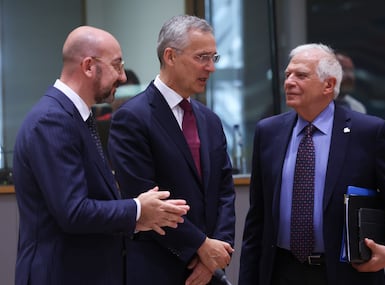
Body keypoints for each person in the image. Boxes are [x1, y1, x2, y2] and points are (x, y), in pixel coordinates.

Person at [13, 26, 190, 285]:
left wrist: (138, 217)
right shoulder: (53, 120)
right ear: (88, 66)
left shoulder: (77, 116)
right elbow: (73, 212)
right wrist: (138, 209)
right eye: (117, 65)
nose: (122, 77)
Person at [239, 43, 385, 285]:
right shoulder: (268, 131)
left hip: (347, 273)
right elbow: (257, 218)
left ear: (329, 85)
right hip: (281, 271)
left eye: (301, 75)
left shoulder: (368, 132)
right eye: (288, 74)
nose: (289, 82)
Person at [108, 15, 236, 285]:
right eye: (202, 57)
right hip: (158, 266)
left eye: (214, 57)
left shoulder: (210, 119)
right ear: (170, 56)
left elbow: (224, 190)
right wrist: (200, 247)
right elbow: (147, 200)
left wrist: (214, 252)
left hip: (209, 269)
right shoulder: (132, 117)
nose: (210, 67)